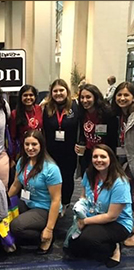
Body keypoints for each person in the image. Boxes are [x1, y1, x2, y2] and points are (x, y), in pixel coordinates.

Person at [66, 144, 132, 268]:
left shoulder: (120, 182)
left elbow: (111, 216)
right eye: (95, 156)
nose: (98, 160)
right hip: (94, 215)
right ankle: (98, 240)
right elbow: (84, 196)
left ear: (111, 159)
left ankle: (114, 247)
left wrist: (84, 221)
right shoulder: (90, 173)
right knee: (72, 248)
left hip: (118, 223)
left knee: (88, 239)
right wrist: (80, 209)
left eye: (103, 156)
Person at [8, 130, 62, 254]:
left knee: (16, 226)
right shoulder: (22, 161)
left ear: (41, 145)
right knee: (3, 212)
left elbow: (56, 200)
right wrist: (3, 201)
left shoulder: (51, 169)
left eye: (34, 144)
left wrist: (49, 228)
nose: (30, 148)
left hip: (45, 208)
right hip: (28, 202)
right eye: (27, 144)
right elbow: (16, 184)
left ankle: (44, 238)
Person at [42, 79, 79, 216]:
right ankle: (52, 201)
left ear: (67, 91)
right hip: (51, 150)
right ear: (51, 93)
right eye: (55, 91)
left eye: (61, 90)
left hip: (70, 151)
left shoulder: (75, 106)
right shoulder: (46, 108)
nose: (58, 93)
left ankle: (65, 202)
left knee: (67, 177)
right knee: (51, 177)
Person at [75, 83, 117, 177]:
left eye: (88, 97)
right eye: (82, 97)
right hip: (88, 154)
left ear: (95, 97)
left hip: (104, 155)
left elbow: (113, 139)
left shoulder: (108, 114)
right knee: (88, 182)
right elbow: (82, 133)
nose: (84, 100)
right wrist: (79, 144)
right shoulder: (81, 113)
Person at [111, 81, 134, 246]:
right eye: (119, 94)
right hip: (126, 161)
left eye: (126, 95)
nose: (122, 98)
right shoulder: (120, 116)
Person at [10, 84, 42, 160]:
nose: (28, 98)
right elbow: (12, 137)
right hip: (24, 150)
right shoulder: (15, 114)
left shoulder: (39, 109)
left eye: (31, 95)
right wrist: (12, 157)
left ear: (35, 97)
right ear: (20, 97)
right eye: (25, 95)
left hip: (39, 149)